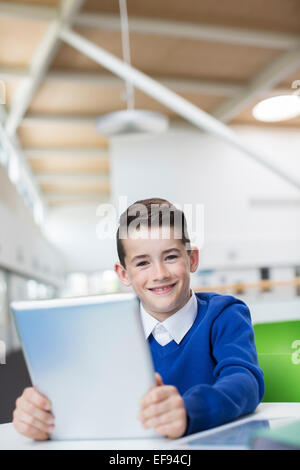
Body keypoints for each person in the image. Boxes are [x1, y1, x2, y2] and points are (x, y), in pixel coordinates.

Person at [12, 198, 264, 440]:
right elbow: (81, 399)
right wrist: (41, 415)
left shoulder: (225, 315)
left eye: (171, 257)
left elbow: (245, 381)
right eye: (143, 263)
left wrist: (189, 411)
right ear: (123, 274)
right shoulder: (106, 329)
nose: (160, 274)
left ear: (192, 259)